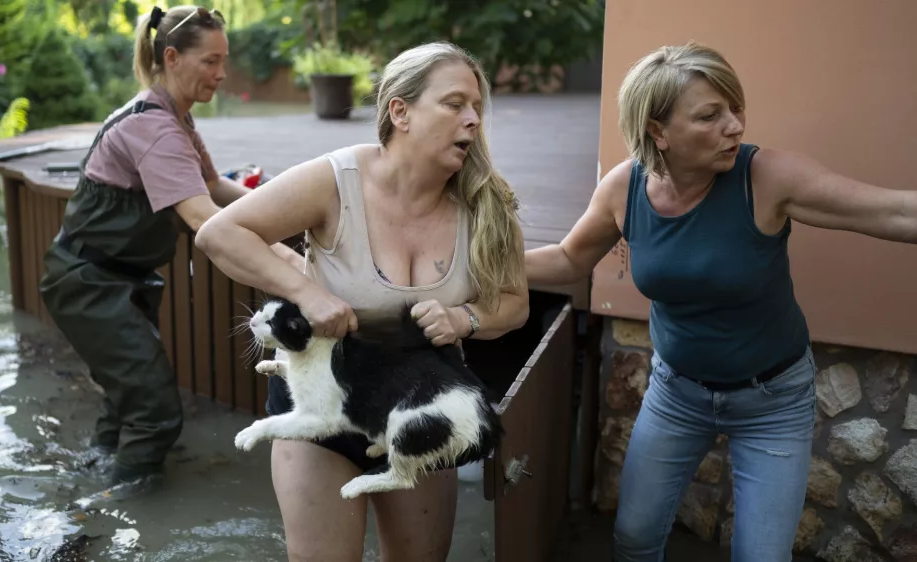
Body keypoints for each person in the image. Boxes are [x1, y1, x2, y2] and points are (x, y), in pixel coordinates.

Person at [525, 42, 917, 562]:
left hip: (773, 401)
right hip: (675, 394)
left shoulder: (767, 178)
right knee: (635, 537)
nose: (734, 125)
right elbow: (570, 259)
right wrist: (474, 264)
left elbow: (894, 213)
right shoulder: (625, 188)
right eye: (711, 115)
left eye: (735, 108)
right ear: (657, 131)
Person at [195, 41, 529, 561]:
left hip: (421, 410)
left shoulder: (488, 203)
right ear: (400, 111)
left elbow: (515, 303)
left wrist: (465, 317)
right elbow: (221, 233)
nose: (472, 120)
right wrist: (307, 293)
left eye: (478, 108)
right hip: (319, 408)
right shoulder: (335, 180)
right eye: (455, 103)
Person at [39, 5, 301, 487]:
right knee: (156, 413)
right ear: (174, 57)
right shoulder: (155, 128)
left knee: (128, 399)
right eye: (211, 61)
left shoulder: (173, 116)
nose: (222, 74)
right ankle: (121, 516)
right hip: (89, 282)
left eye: (224, 61)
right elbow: (205, 220)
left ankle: (93, 475)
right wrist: (289, 263)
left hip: (115, 278)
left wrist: (291, 211)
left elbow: (213, 185)